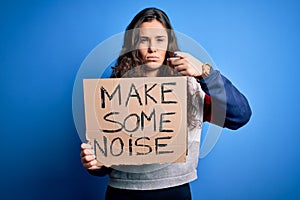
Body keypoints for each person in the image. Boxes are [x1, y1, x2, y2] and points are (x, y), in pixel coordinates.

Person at [80, 7, 251, 200]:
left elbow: (240, 116)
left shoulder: (191, 88)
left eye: (160, 40)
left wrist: (205, 72)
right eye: (144, 40)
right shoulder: (112, 91)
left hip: (174, 192)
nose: (152, 48)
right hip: (122, 192)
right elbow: (105, 159)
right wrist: (95, 164)